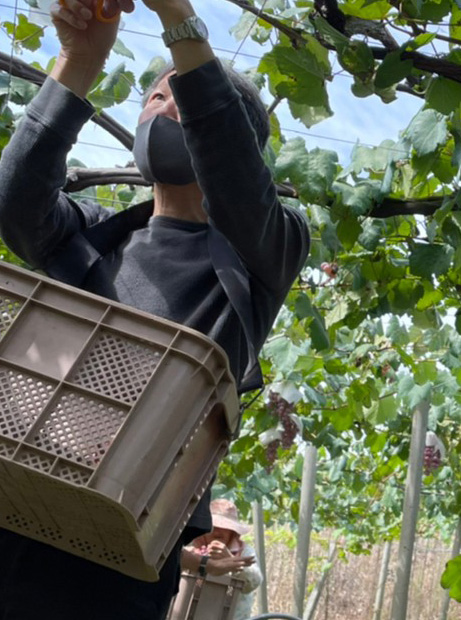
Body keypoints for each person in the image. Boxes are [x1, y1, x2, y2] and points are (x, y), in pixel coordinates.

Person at [0, 0, 309, 618]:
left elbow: (237, 180)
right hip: (18, 496)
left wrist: (177, 17)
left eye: (179, 98)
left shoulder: (262, 256)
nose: (159, 105)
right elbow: (14, 200)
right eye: (152, 98)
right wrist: (78, 62)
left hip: (124, 536)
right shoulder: (88, 236)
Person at [180, 499, 262, 620]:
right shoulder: (189, 546)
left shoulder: (245, 552)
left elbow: (253, 582)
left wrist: (231, 560)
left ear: (233, 532)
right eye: (214, 526)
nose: (218, 531)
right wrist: (188, 560)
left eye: (225, 527)